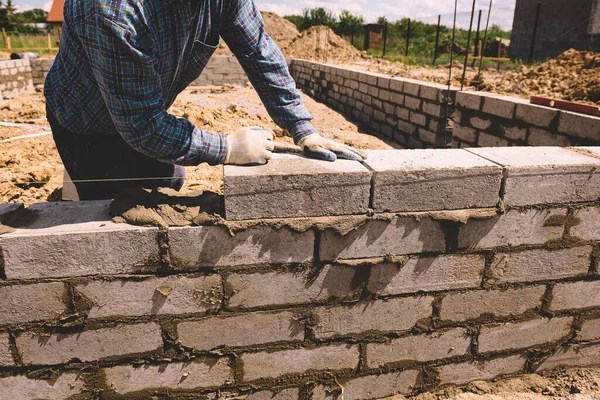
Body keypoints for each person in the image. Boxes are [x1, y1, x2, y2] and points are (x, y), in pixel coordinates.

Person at [44, 0, 366, 201]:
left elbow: (259, 52)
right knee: (111, 208)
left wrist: (302, 127)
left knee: (170, 180)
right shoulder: (111, 10)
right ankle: (78, 187)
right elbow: (143, 127)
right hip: (84, 124)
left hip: (138, 113)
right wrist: (228, 148)